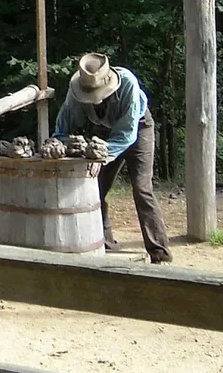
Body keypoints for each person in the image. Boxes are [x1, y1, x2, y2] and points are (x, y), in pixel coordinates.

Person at [55, 53, 172, 263]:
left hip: (139, 127)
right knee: (96, 187)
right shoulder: (76, 92)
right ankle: (105, 244)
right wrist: (63, 145)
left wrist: (101, 153)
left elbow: (127, 134)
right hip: (106, 131)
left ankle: (159, 252)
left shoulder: (128, 84)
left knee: (142, 188)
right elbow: (62, 129)